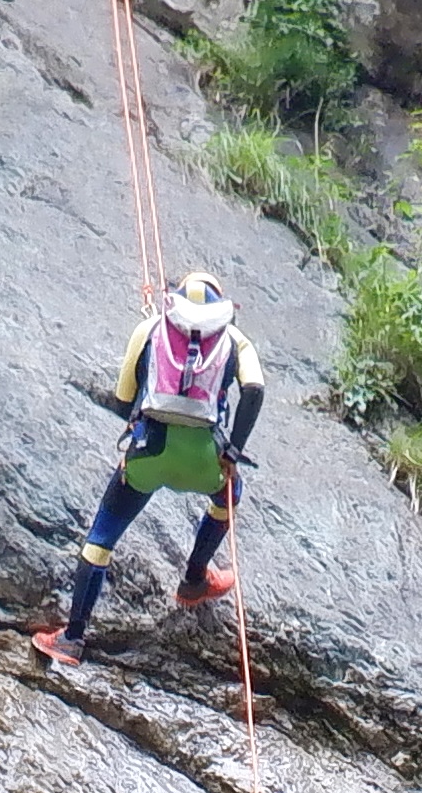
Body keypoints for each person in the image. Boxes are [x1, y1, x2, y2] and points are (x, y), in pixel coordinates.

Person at [34, 271, 264, 668]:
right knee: (229, 495)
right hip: (204, 460)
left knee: (100, 539)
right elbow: (255, 390)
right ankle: (194, 579)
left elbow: (124, 399)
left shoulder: (149, 329)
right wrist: (233, 452)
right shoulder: (235, 341)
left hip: (148, 457)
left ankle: (72, 639)